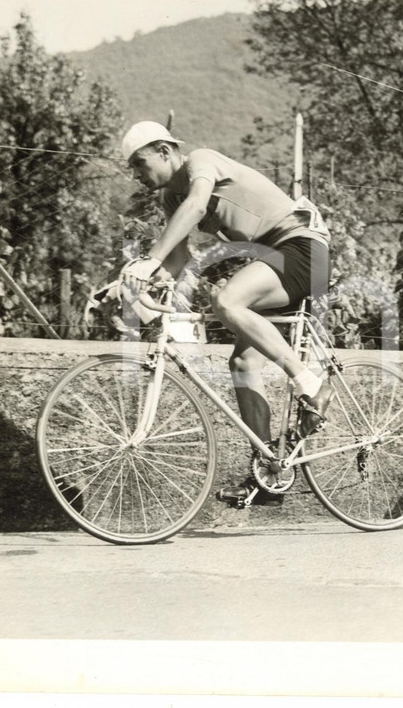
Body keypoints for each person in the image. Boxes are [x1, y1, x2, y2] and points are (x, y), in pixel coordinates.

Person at [119, 120, 333, 502]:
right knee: (243, 365)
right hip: (273, 258)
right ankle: (270, 471)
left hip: (301, 247)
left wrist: (150, 260)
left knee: (227, 301)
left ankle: (311, 384)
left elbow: (197, 204)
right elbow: (179, 259)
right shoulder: (171, 199)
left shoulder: (201, 162)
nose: (137, 174)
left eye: (140, 162)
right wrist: (135, 282)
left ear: (165, 151)